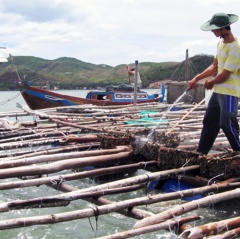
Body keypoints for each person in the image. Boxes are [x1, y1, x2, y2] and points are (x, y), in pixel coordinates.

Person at [188, 12, 240, 155]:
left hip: (230, 93)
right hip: (218, 92)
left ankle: (238, 150)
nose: (212, 31)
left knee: (227, 122)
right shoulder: (220, 43)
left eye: (214, 29)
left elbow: (225, 74)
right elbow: (214, 67)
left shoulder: (236, 47)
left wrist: (211, 82)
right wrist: (197, 78)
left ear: (224, 28)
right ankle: (202, 151)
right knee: (209, 121)